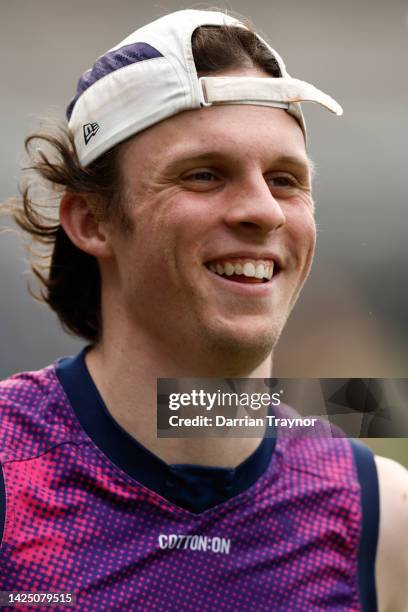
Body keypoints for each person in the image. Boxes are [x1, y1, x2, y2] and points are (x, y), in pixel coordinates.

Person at [0, 8, 407, 611]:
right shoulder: (12, 472)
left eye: (286, 180)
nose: (264, 211)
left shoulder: (382, 519)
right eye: (204, 174)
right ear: (92, 221)